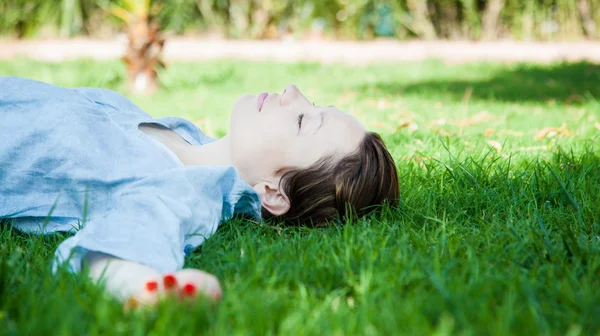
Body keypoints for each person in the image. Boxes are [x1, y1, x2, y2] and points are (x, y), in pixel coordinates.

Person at [0, 76, 399, 308]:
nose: (292, 91)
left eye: (301, 121)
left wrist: (145, 287)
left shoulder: (185, 188)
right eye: (312, 104)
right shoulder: (185, 136)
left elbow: (129, 239)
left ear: (274, 193)